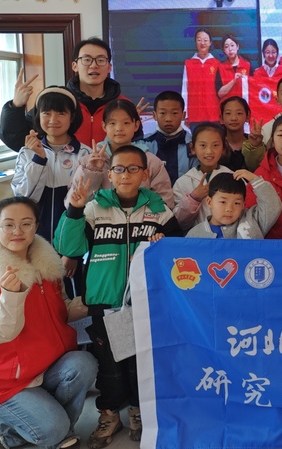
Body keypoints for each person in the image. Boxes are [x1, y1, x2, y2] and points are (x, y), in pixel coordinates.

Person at [54, 145, 181, 448]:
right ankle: (109, 413)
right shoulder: (94, 209)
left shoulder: (159, 211)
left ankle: (137, 411)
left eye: (133, 168)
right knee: (109, 365)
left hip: (145, 303)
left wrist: (163, 243)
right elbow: (68, 247)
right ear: (109, 174)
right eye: (119, 169)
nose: (126, 175)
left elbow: (178, 255)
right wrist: (74, 211)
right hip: (105, 303)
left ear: (145, 174)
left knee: (139, 364)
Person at [0, 196, 97, 449]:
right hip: (8, 380)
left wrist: (94, 302)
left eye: (26, 224)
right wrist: (11, 295)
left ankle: (54, 427)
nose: (17, 231)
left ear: (36, 226)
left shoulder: (48, 270)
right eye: (8, 225)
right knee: (53, 429)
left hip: (48, 366)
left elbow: (62, 311)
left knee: (84, 363)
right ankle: (10, 431)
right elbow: (2, 333)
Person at [11, 87, 91, 299]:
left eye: (61, 113)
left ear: (72, 117)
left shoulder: (85, 154)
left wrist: (73, 252)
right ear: (38, 116)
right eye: (46, 113)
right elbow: (23, 198)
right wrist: (38, 159)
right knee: (37, 293)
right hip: (34, 237)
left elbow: (89, 206)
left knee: (72, 296)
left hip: (70, 239)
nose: (53, 120)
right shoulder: (26, 153)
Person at [0, 38, 132, 151]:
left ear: (109, 67)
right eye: (86, 59)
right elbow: (16, 140)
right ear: (75, 66)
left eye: (101, 60)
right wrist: (15, 106)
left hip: (112, 172)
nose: (93, 65)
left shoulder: (122, 104)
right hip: (63, 172)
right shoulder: (59, 101)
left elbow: (135, 147)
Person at [67, 99, 174, 208]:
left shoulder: (150, 162)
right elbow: (71, 204)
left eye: (126, 123)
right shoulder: (87, 162)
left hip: (141, 219)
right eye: (112, 123)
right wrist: (92, 171)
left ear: (136, 125)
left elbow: (165, 205)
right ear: (104, 126)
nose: (119, 128)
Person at [172, 122, 234, 231]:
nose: (209, 151)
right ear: (192, 148)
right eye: (203, 145)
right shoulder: (183, 182)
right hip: (197, 238)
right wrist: (194, 198)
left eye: (215, 145)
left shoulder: (233, 178)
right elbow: (178, 222)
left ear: (223, 148)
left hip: (229, 238)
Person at [186, 170, 282, 239]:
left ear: (243, 204)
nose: (229, 209)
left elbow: (273, 206)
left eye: (237, 203)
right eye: (223, 202)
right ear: (209, 202)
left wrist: (255, 180)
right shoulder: (195, 234)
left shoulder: (253, 220)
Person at [141, 90, 194, 185]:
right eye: (162, 113)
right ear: (154, 115)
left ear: (183, 115)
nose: (168, 119)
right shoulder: (143, 144)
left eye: (174, 113)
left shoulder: (193, 145)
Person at [182, 28, 220, 125]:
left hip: (213, 114)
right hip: (194, 115)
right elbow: (185, 89)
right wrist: (185, 113)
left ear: (210, 43)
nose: (202, 43)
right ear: (195, 42)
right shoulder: (189, 64)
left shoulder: (217, 63)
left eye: (205, 40)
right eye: (199, 40)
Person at [219, 96, 253, 170]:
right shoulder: (216, 145)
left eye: (239, 113)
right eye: (228, 113)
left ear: (248, 116)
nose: (234, 118)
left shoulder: (254, 145)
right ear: (221, 118)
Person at [216, 34, 251, 101]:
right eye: (226, 47)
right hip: (227, 105)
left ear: (237, 47)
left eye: (232, 45)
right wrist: (233, 81)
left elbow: (253, 88)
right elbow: (220, 94)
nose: (230, 49)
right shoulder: (221, 67)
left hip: (243, 104)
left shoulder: (247, 65)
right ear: (223, 50)